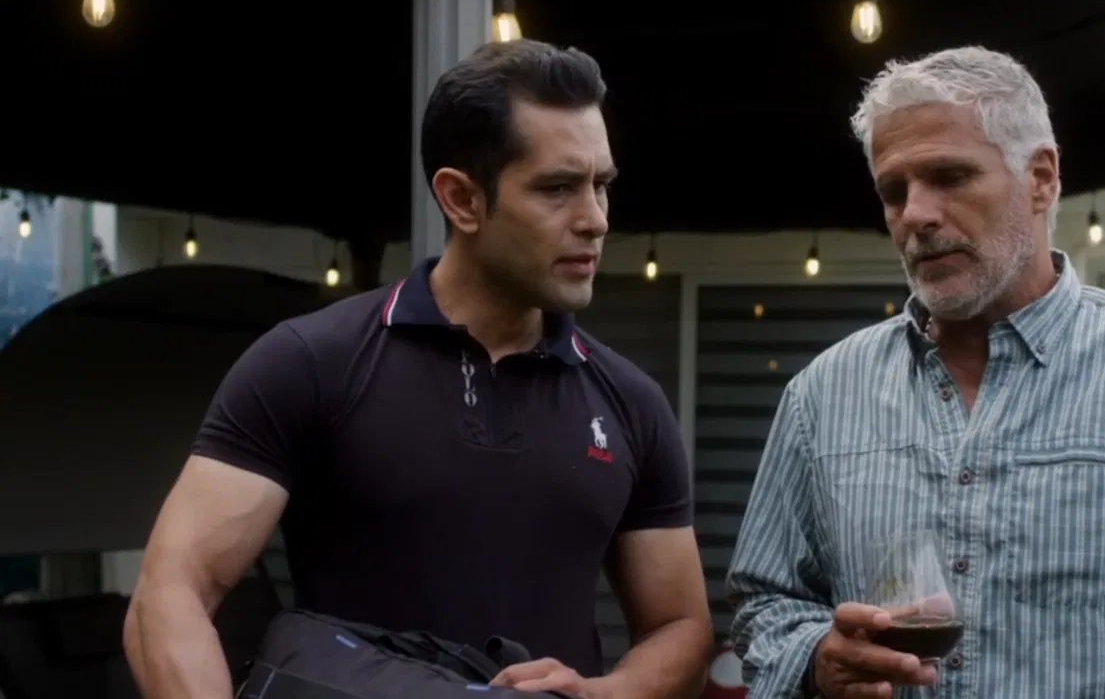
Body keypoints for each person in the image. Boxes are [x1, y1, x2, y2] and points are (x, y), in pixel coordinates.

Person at [123, 39, 713, 699]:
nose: (595, 220)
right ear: (462, 199)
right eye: (558, 189)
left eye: (601, 185)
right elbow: (170, 592)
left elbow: (681, 628)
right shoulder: (311, 364)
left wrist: (603, 693)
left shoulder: (630, 403)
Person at [726, 46, 1105, 698]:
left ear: (1041, 178)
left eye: (949, 176)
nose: (916, 215)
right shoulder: (823, 393)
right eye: (893, 192)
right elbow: (765, 605)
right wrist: (817, 659)